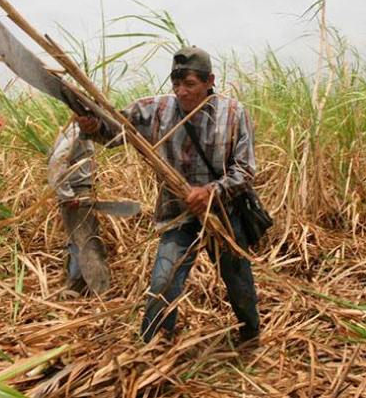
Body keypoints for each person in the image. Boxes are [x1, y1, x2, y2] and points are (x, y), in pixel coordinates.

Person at [76, 46, 260, 345]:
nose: (182, 92)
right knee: (164, 280)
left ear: (209, 80)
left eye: (190, 84)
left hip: (225, 214)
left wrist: (212, 191)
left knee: (238, 280)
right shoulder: (155, 110)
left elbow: (246, 170)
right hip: (179, 214)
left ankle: (250, 334)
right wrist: (93, 125)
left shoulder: (233, 113)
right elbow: (113, 131)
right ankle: (154, 344)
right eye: (176, 84)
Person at [47, 121, 110, 295]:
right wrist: (67, 195)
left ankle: (76, 286)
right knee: (88, 243)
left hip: (77, 192)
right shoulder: (76, 131)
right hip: (77, 193)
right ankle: (100, 292)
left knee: (77, 240)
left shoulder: (71, 130)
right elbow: (56, 162)